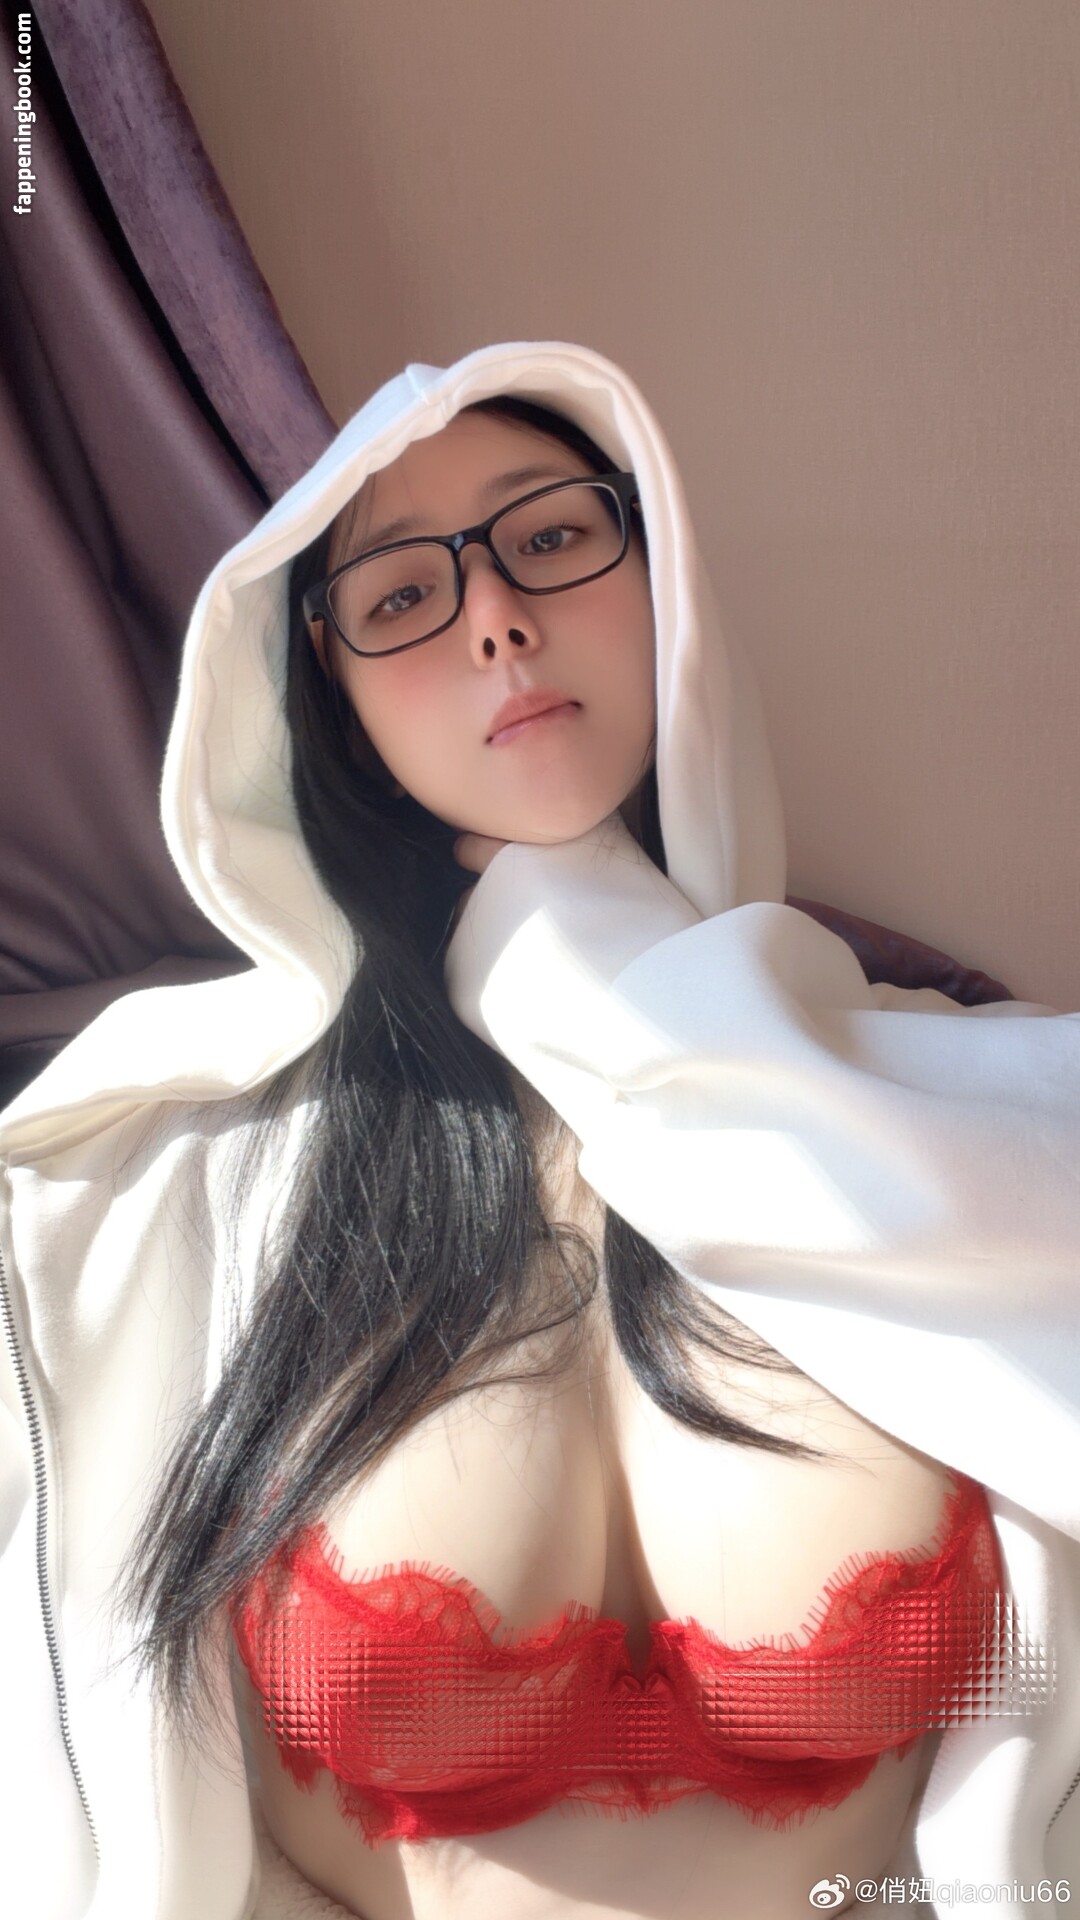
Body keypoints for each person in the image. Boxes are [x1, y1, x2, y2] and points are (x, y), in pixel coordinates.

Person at [1, 340, 1078, 1920]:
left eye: (553, 536)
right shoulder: (143, 1194)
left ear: (662, 577)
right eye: (402, 595)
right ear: (330, 695)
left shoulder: (974, 1118)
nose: (497, 615)